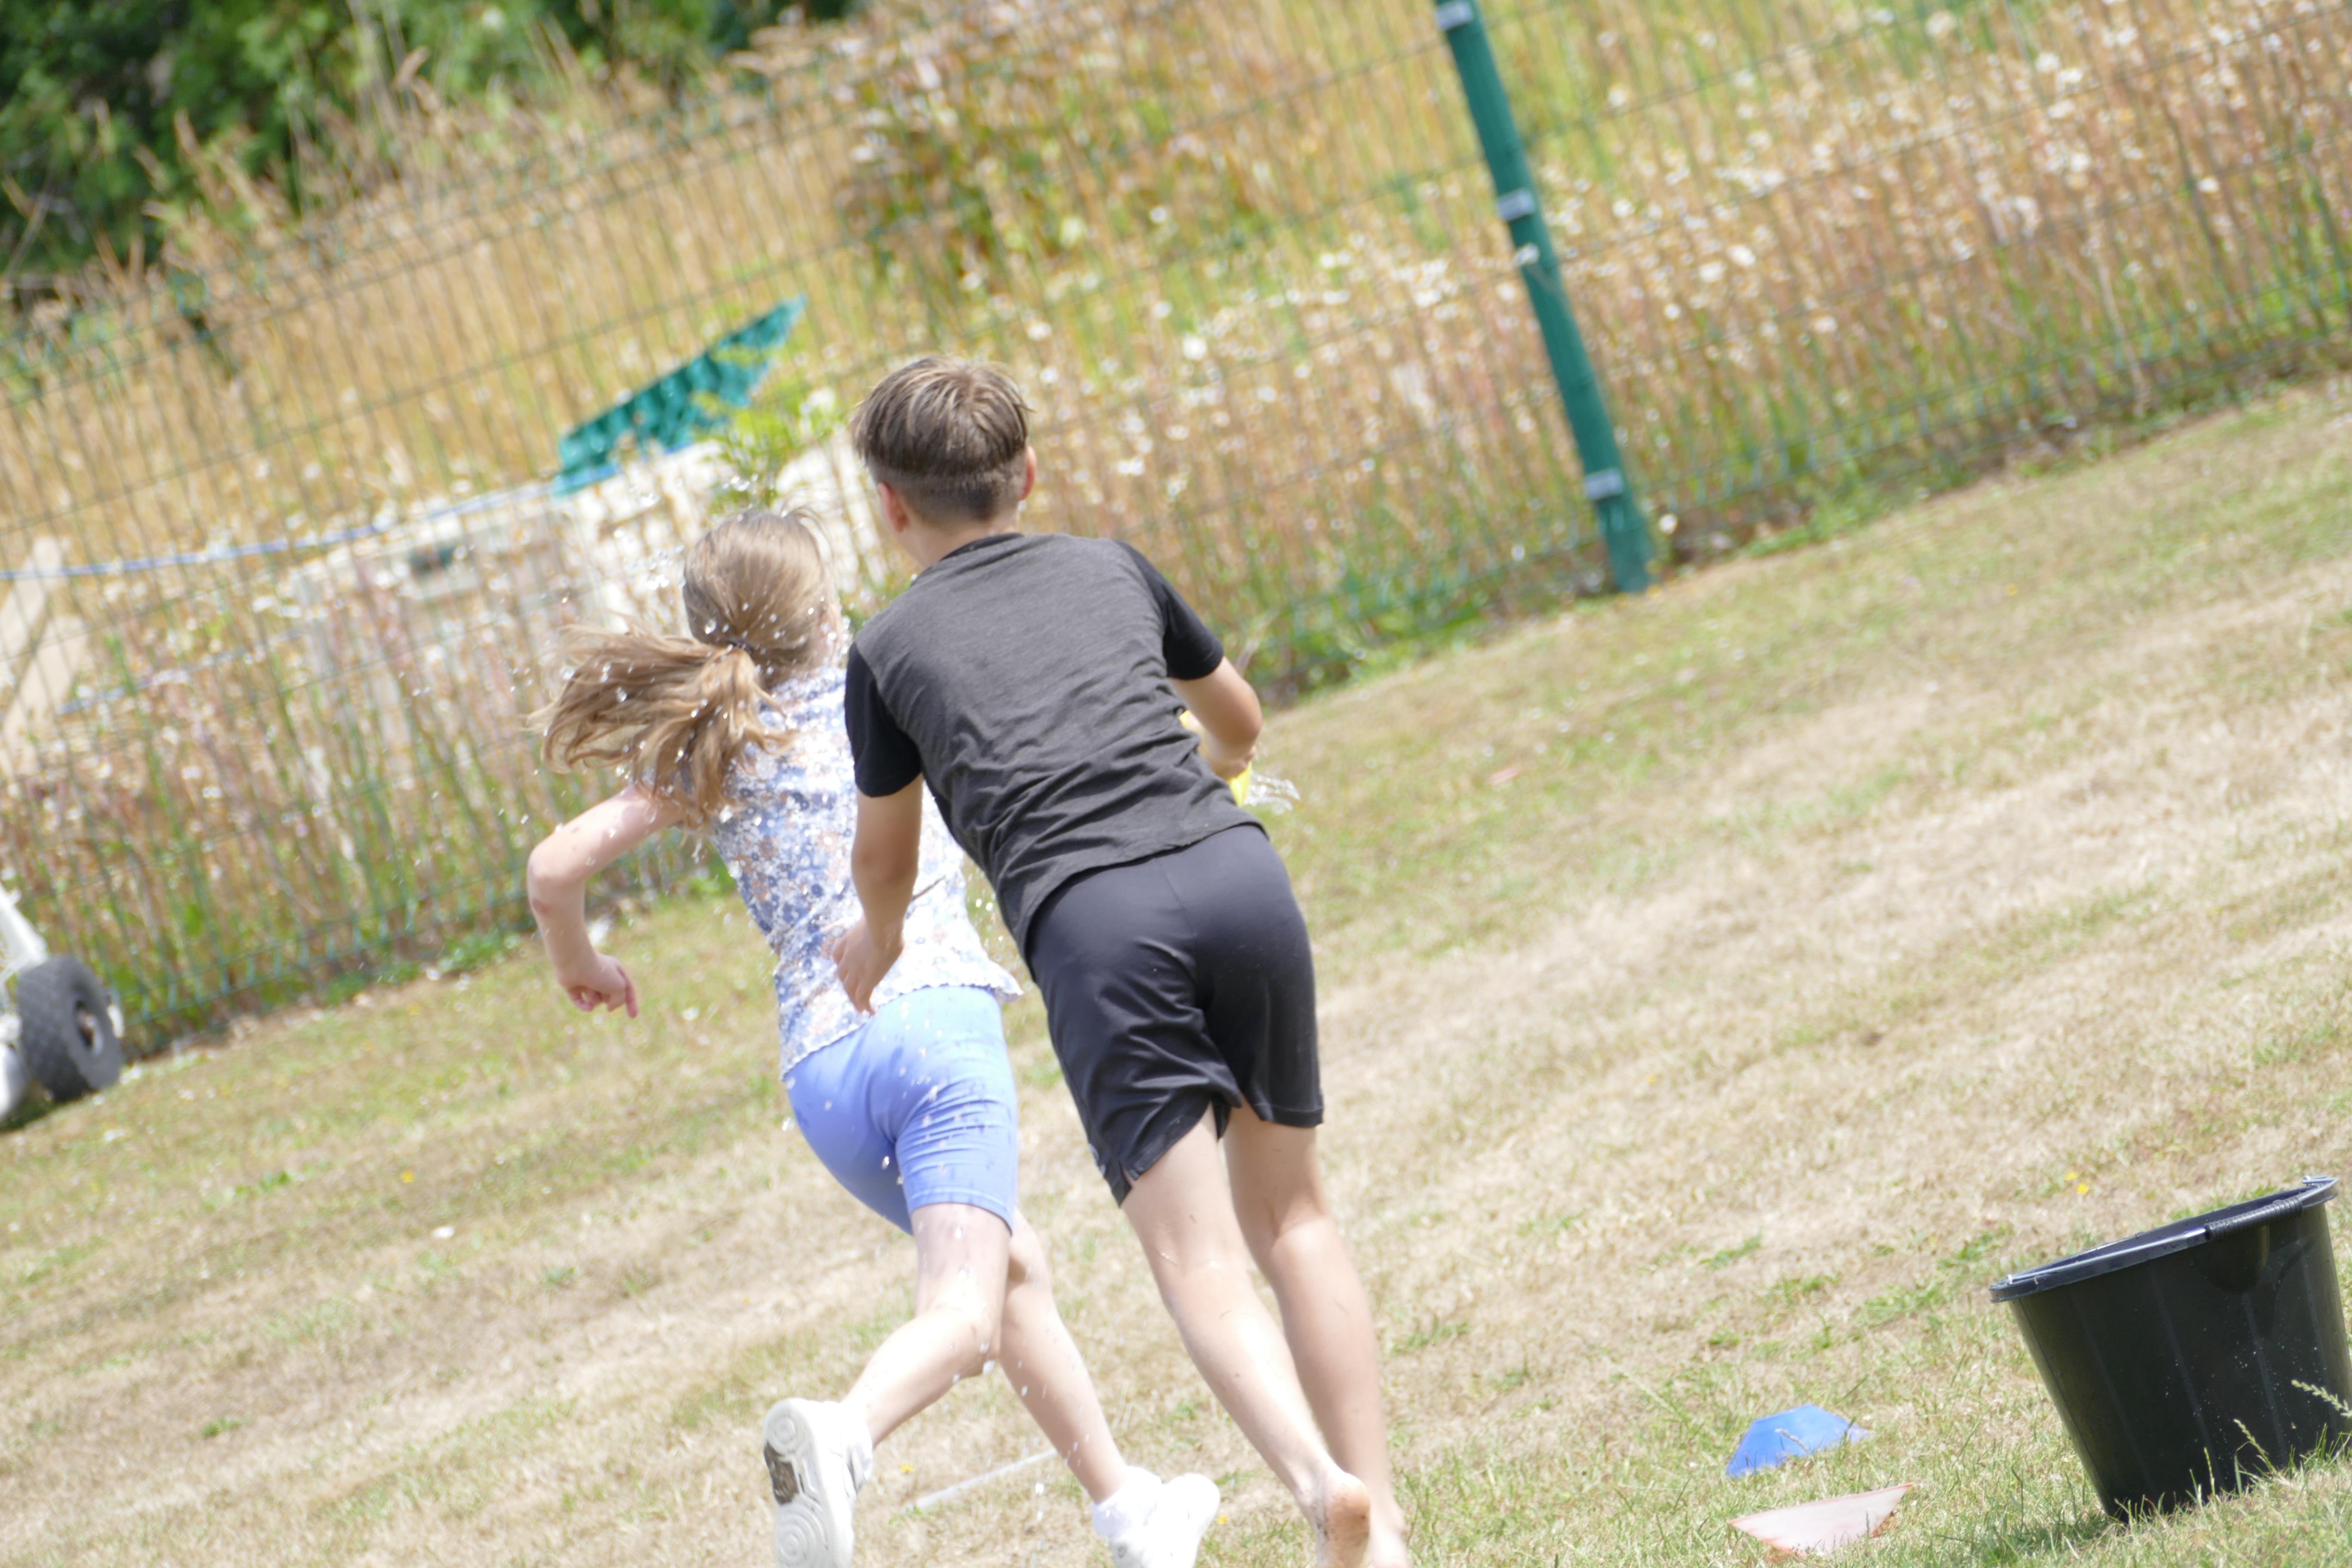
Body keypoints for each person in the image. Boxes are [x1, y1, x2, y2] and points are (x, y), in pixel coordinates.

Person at [524, 507, 1220, 1568]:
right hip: (929, 1024)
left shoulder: (716, 741)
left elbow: (553, 869)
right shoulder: (887, 682)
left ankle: (1131, 1513)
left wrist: (580, 963)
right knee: (964, 1309)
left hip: (824, 1077)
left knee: (1010, 1268)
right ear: (825, 614)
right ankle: (844, 1437)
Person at [830, 361, 1408, 1568]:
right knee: (1295, 1215)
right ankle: (1384, 1524)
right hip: (1238, 874)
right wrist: (1199, 779)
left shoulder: (885, 649)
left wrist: (873, 948)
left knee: (1197, 1255)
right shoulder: (1113, 567)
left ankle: (1322, 1488)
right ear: (1028, 474)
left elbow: (885, 861)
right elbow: (1239, 724)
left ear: (888, 505)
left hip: (1100, 926)